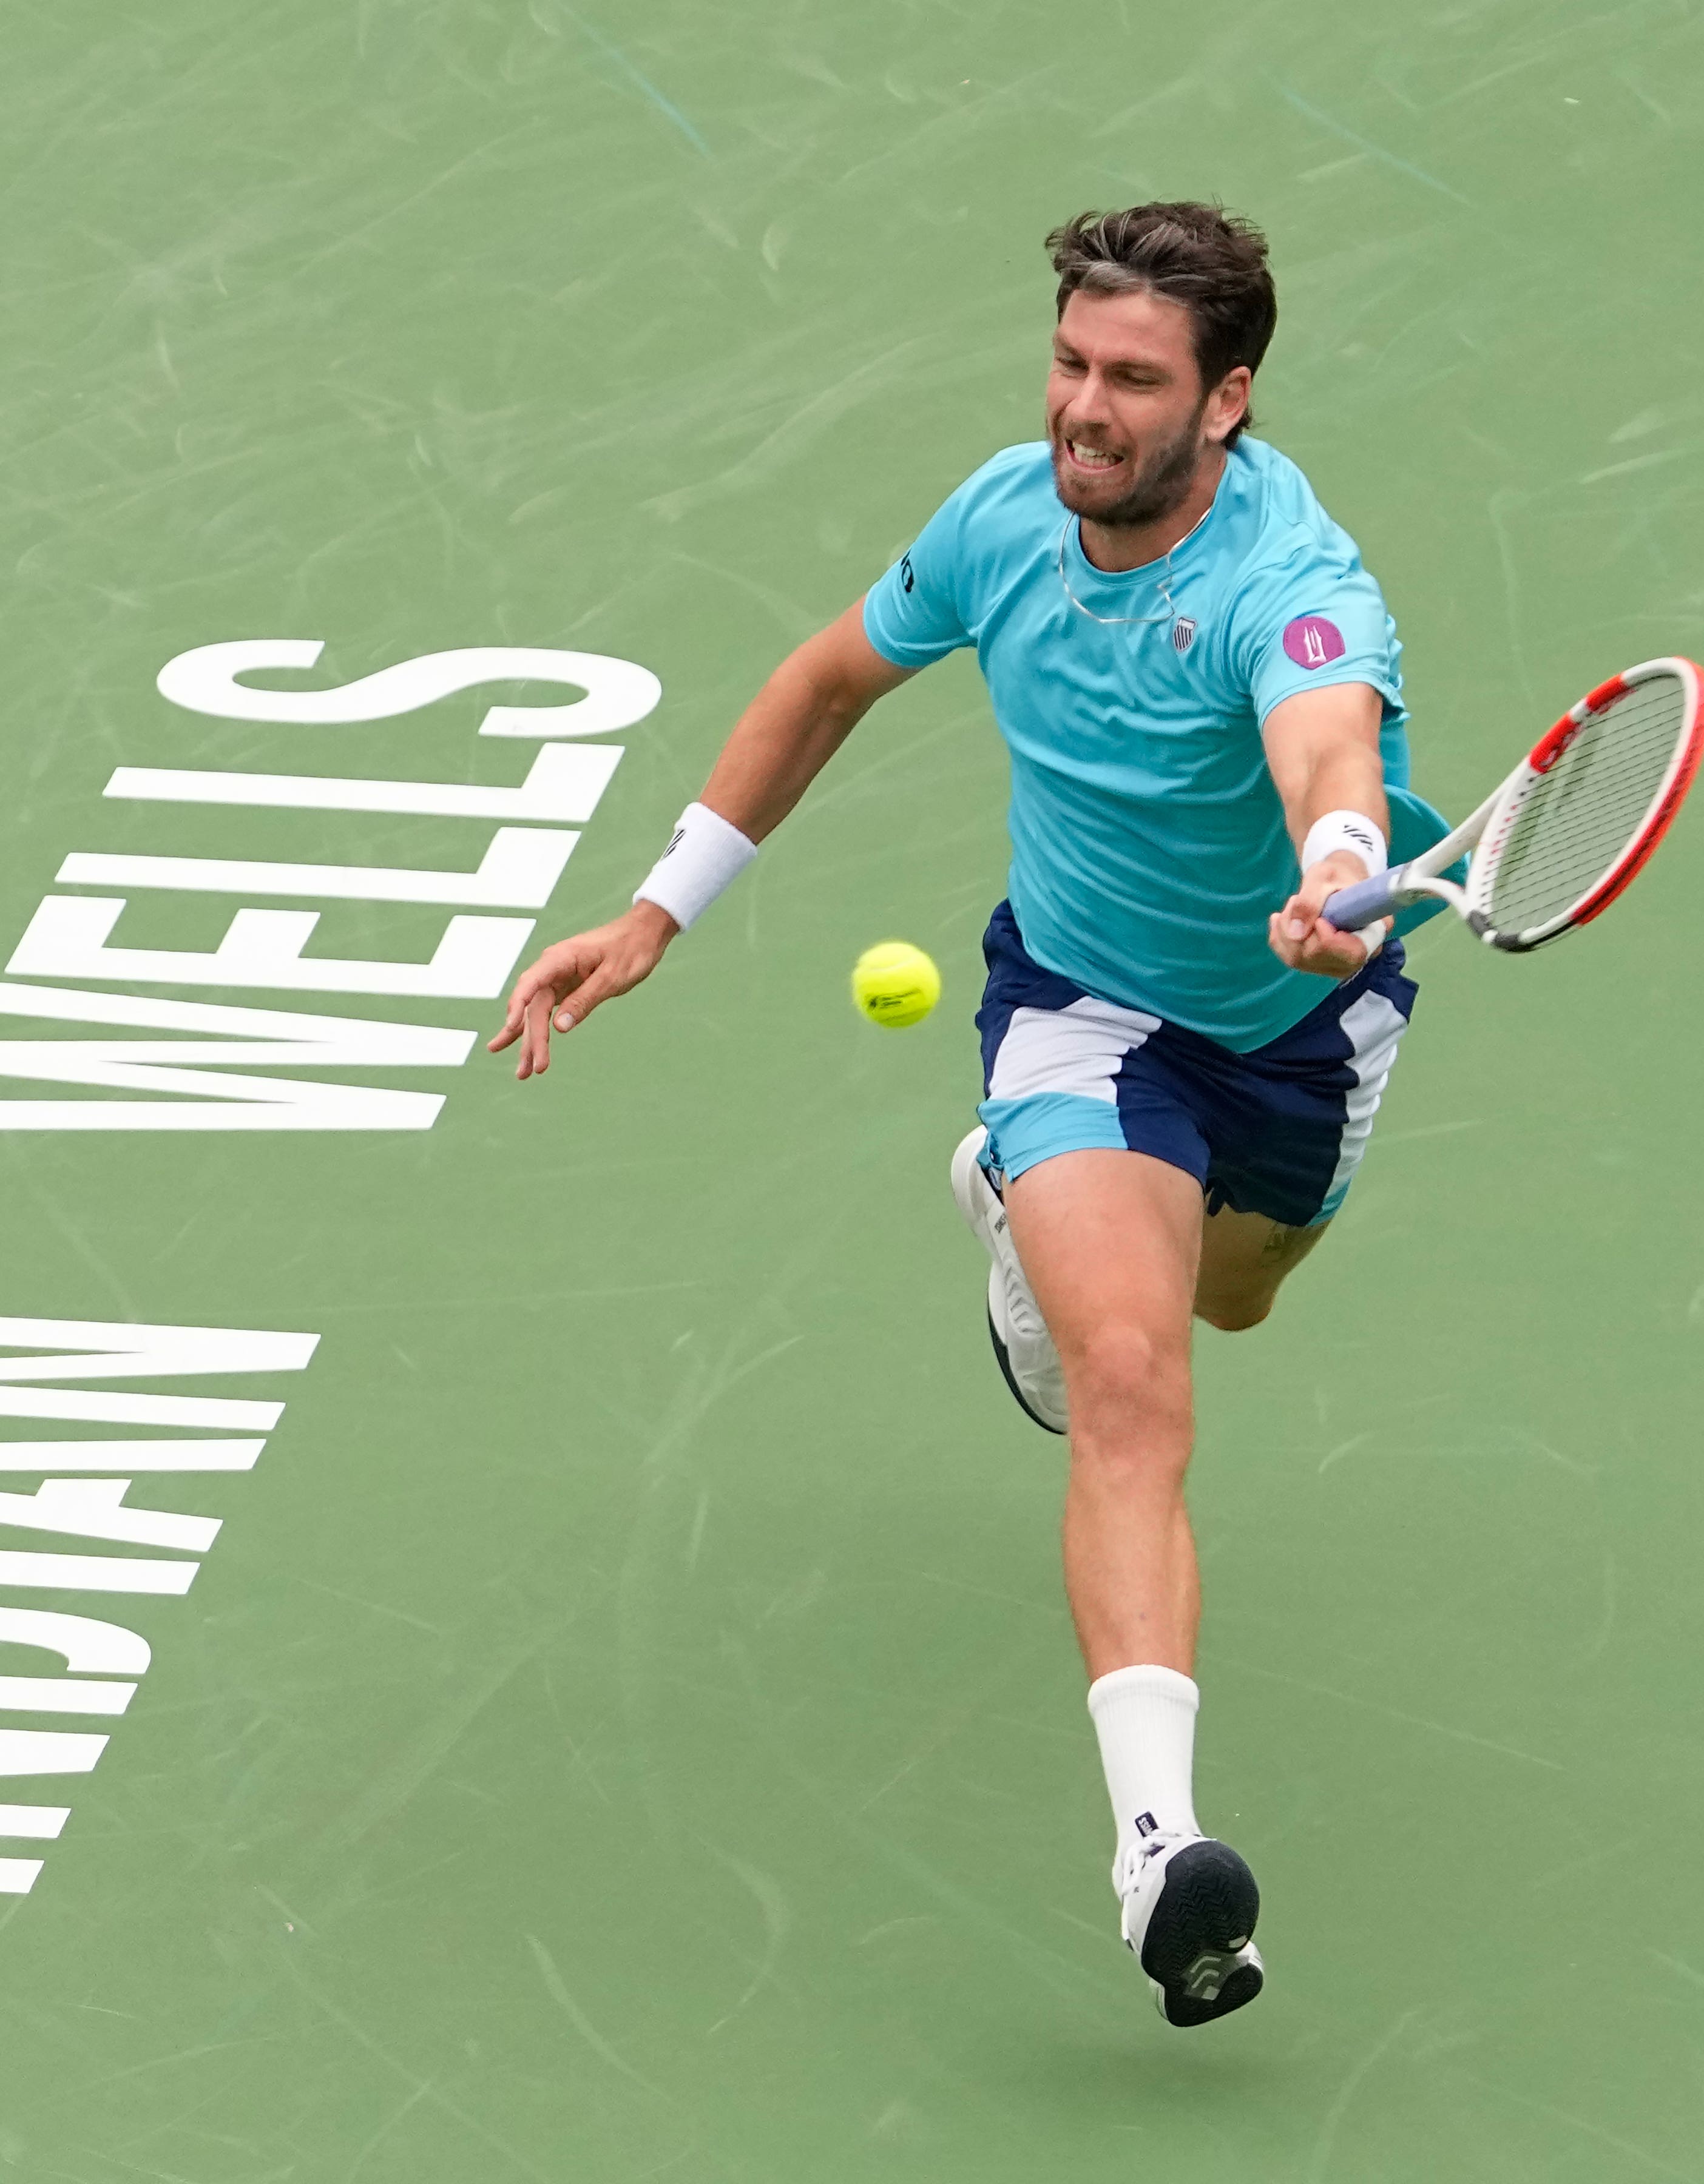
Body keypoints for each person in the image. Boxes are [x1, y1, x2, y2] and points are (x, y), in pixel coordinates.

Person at [490, 201, 1430, 2029]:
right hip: (1080, 1014)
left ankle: (1018, 1214)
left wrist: (1341, 866)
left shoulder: (1292, 587)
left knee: (1238, 1295)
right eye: (1073, 364)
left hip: (1303, 1029)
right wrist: (656, 906)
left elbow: (1329, 745)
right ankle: (1161, 1842)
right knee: (1136, 1384)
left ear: (1224, 403)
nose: (1087, 409)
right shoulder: (1006, 515)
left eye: (1134, 382)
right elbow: (830, 677)